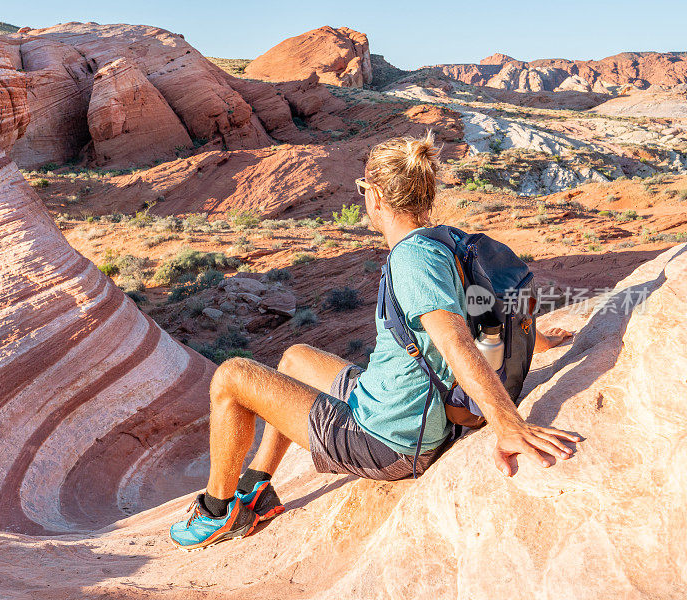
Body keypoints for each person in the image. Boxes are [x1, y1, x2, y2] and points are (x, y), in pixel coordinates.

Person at [169, 134, 581, 551]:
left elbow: (456, 342)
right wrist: (541, 340)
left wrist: (508, 426)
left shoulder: (412, 259)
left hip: (386, 439)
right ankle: (257, 485)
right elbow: (492, 311)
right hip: (388, 402)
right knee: (294, 358)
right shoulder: (445, 240)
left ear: (377, 196)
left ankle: (219, 511)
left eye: (364, 190)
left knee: (230, 376)